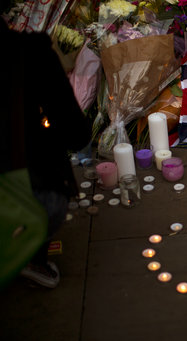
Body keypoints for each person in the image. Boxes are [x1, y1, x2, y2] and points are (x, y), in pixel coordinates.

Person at [0, 18, 91, 288]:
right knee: (50, 194)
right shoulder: (27, 54)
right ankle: (30, 258)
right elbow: (76, 134)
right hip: (15, 193)